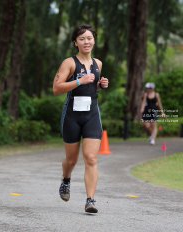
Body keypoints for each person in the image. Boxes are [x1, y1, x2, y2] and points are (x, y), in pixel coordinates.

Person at [53, 25, 109, 213]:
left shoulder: (98, 63)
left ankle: (90, 200)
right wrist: (79, 81)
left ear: (94, 40)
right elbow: (56, 88)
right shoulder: (69, 63)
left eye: (90, 38)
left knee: (91, 158)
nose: (87, 42)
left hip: (92, 113)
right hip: (72, 115)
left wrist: (101, 85)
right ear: (75, 42)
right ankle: (66, 179)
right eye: (82, 39)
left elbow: (92, 87)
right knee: (71, 160)